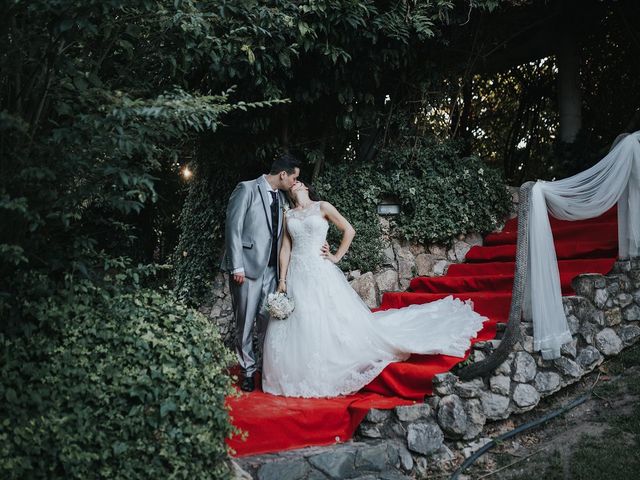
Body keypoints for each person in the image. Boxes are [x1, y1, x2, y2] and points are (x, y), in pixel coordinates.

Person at [261, 181, 487, 398]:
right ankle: (300, 372)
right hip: (297, 273)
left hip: (320, 269)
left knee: (324, 317)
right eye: (293, 181)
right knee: (301, 319)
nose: (295, 183)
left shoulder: (323, 207)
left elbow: (349, 230)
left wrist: (336, 256)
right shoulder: (288, 214)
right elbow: (285, 248)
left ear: (306, 187)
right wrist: (282, 279)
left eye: (299, 180)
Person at [220, 154, 300, 392]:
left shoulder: (284, 198)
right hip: (246, 268)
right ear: (283, 174)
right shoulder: (246, 189)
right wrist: (237, 265)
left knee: (268, 323)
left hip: (273, 271)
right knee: (244, 322)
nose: (295, 183)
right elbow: (233, 226)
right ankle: (247, 371)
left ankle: (266, 370)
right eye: (293, 178)